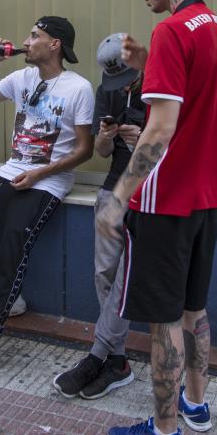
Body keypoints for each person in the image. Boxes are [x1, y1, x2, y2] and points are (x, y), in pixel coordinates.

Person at [98, 0, 217, 435]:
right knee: (194, 310)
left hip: (165, 201)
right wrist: (145, 68)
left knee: (163, 323)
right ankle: (196, 406)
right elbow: (201, 100)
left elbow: (159, 129)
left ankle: (162, 433)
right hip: (208, 196)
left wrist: (118, 197)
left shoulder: (172, 32)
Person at [0, 16, 94, 382]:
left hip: (47, 181)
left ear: (55, 44)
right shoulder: (22, 78)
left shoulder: (78, 87)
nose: (26, 41)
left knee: (12, 243)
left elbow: (86, 150)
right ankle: (8, 299)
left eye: (34, 36)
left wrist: (42, 173)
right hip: (12, 170)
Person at [53, 33, 145, 400]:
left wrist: (144, 139)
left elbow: (173, 152)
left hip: (145, 194)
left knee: (124, 282)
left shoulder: (161, 89)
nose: (124, 88)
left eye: (128, 78)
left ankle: (96, 356)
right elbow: (101, 152)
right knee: (103, 275)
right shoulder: (107, 91)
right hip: (111, 190)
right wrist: (107, 136)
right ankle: (118, 363)